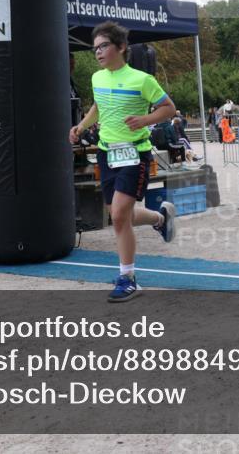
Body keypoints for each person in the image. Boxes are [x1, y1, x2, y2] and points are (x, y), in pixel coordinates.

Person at [69, 21, 179, 302]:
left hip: (134, 153)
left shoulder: (142, 80)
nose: (98, 52)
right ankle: (160, 218)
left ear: (121, 47)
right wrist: (81, 126)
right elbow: (98, 106)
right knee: (122, 216)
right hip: (107, 153)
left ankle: (128, 279)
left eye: (103, 46)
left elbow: (169, 108)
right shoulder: (97, 78)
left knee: (118, 215)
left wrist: (144, 119)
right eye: (95, 48)